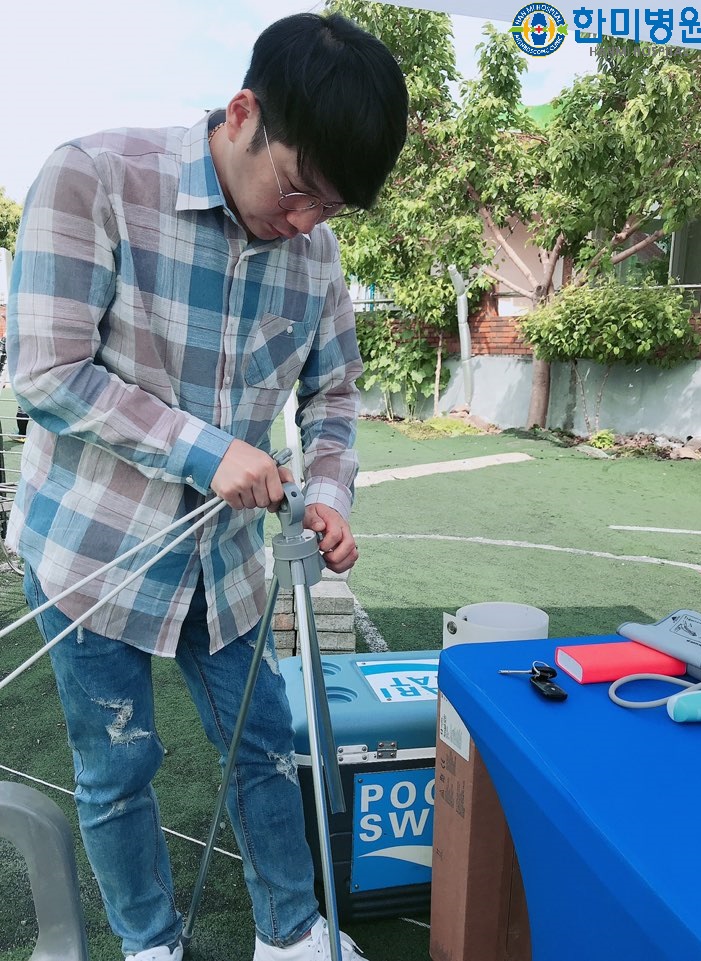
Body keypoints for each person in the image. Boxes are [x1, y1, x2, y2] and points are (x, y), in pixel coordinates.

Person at [6, 12, 408, 961]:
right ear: (242, 113)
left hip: (224, 565)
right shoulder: (94, 177)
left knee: (263, 746)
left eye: (330, 210)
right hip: (92, 551)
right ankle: (149, 943)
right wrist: (205, 450)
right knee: (117, 768)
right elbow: (47, 371)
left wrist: (329, 492)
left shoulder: (315, 252)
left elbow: (333, 394)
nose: (305, 223)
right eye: (299, 190)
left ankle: (292, 933)